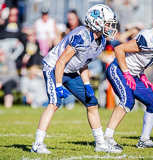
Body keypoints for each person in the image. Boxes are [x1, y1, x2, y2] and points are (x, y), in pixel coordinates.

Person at [30, 4, 120, 154]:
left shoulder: (101, 41)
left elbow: (83, 64)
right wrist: (58, 86)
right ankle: (37, 144)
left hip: (70, 70)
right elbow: (60, 62)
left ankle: (100, 143)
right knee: (54, 103)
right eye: (107, 23)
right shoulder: (81, 36)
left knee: (92, 102)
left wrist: (87, 84)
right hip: (54, 68)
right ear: (96, 22)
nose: (110, 27)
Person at [103, 15, 153, 150]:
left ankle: (144, 140)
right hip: (118, 69)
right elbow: (119, 49)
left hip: (133, 74)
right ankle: (107, 138)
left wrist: (142, 76)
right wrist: (127, 73)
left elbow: (141, 59)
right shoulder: (149, 38)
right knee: (127, 101)